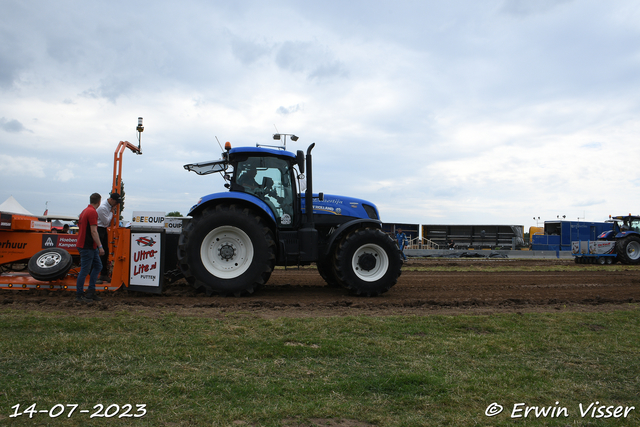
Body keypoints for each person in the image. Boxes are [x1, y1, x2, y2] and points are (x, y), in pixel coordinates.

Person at [75, 193, 105, 302]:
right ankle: (80, 294)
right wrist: (100, 246)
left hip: (86, 245)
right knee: (85, 270)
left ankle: (90, 292)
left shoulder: (84, 211)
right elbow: (93, 231)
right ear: (99, 202)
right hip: (87, 246)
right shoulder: (92, 212)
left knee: (97, 266)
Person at [96, 192, 120, 283]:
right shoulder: (103, 208)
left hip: (103, 229)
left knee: (104, 252)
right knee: (100, 252)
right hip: (100, 229)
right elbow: (106, 221)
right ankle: (98, 275)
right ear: (111, 200)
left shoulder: (106, 206)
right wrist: (111, 212)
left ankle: (103, 274)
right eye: (116, 202)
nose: (116, 204)